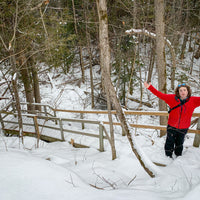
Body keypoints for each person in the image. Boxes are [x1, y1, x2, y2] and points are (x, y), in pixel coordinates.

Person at [144, 81, 200, 158]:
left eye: (184, 90)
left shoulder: (193, 100)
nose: (182, 92)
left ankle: (178, 156)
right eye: (180, 90)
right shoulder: (172, 98)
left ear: (188, 91)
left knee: (179, 143)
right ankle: (168, 156)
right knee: (169, 141)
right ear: (178, 92)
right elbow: (160, 95)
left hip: (184, 127)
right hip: (172, 126)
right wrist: (150, 87)